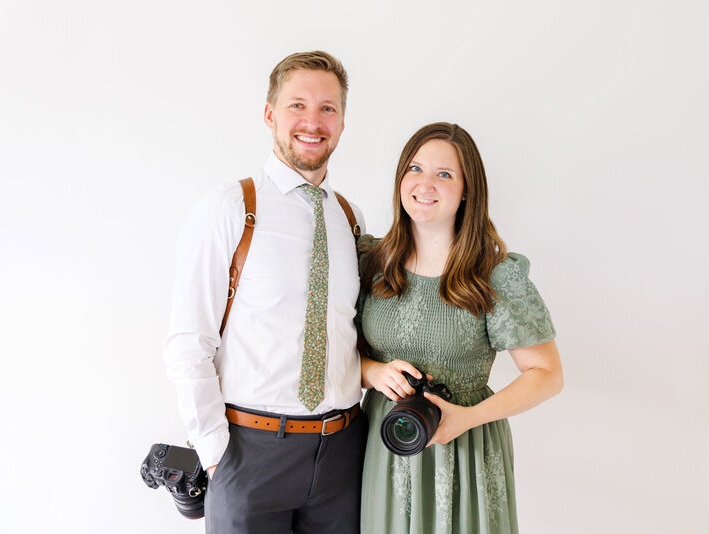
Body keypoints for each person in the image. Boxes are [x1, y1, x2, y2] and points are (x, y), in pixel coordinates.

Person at [163, 51, 368, 534]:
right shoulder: (231, 208)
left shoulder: (351, 219)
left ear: (341, 121)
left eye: (327, 108)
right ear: (270, 113)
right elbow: (188, 341)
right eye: (297, 105)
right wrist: (216, 455)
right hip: (250, 452)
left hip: (343, 454)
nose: (312, 122)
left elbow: (352, 332)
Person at [356, 122, 563, 533]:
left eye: (444, 174)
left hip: (466, 446)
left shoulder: (494, 274)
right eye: (414, 169)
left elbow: (547, 375)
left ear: (468, 189)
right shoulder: (373, 263)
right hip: (385, 442)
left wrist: (466, 418)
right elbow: (341, 352)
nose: (424, 183)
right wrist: (374, 372)